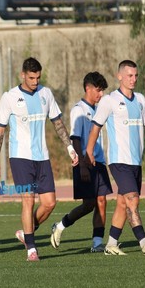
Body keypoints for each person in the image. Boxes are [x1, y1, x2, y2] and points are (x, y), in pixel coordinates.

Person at [0, 57, 79, 262]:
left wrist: (69, 147)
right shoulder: (9, 97)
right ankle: (31, 249)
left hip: (42, 157)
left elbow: (57, 122)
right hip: (20, 157)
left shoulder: (45, 94)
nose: (35, 81)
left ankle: (27, 233)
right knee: (28, 199)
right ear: (23, 75)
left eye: (38, 77)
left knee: (49, 203)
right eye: (31, 78)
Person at [86, 60, 145, 255]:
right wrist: (89, 151)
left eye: (136, 75)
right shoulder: (109, 100)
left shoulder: (140, 100)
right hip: (118, 160)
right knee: (133, 200)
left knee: (123, 203)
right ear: (119, 76)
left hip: (135, 161)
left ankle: (111, 244)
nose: (133, 79)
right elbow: (96, 127)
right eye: (129, 75)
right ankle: (144, 242)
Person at [50, 71, 113, 253]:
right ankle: (60, 225)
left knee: (102, 201)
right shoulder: (78, 110)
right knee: (89, 204)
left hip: (98, 162)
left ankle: (97, 243)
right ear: (88, 88)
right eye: (98, 90)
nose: (101, 95)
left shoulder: (99, 109)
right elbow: (75, 138)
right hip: (84, 162)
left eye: (102, 91)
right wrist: (83, 165)